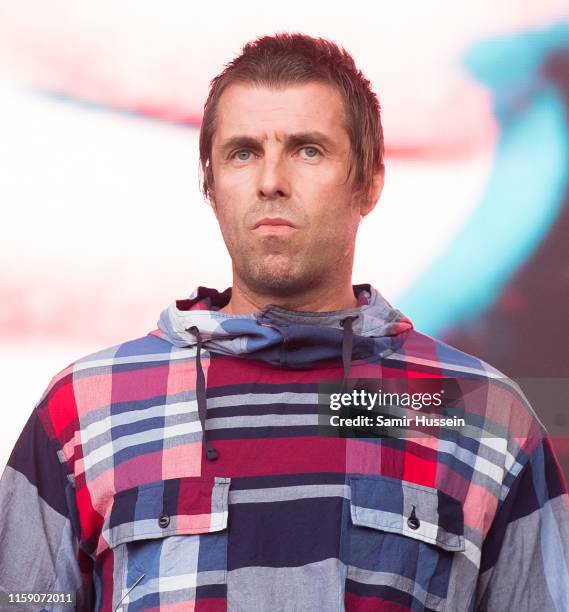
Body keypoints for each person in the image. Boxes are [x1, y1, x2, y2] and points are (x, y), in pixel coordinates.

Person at [1, 32, 568, 612]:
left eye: (308, 149)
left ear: (369, 181)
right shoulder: (84, 409)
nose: (271, 181)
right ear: (210, 184)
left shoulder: (478, 412)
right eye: (243, 151)